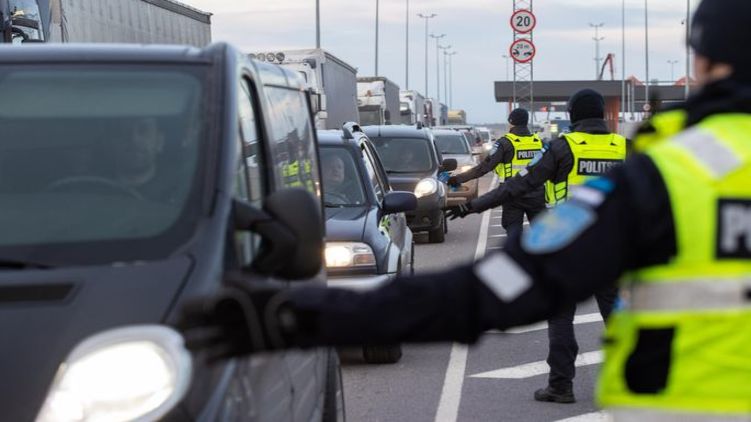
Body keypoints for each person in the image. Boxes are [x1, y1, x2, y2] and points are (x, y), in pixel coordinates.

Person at [179, 1, 751, 419]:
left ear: (705, 63)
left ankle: (560, 380)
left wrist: (296, 314)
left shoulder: (669, 177)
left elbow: (489, 290)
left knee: (563, 311)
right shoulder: (639, 161)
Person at [447, 90, 628, 403]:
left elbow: (518, 185)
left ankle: (561, 385)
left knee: (561, 316)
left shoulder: (562, 147)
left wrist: (471, 206)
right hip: (610, 247)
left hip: (570, 246)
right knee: (616, 316)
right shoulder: (626, 147)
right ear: (601, 114)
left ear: (572, 115)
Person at [447, 108, 545, 239]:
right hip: (536, 193)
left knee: (514, 233)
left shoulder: (505, 143)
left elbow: (484, 168)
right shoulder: (539, 142)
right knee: (543, 234)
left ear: (511, 122)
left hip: (513, 194)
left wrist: (458, 179)